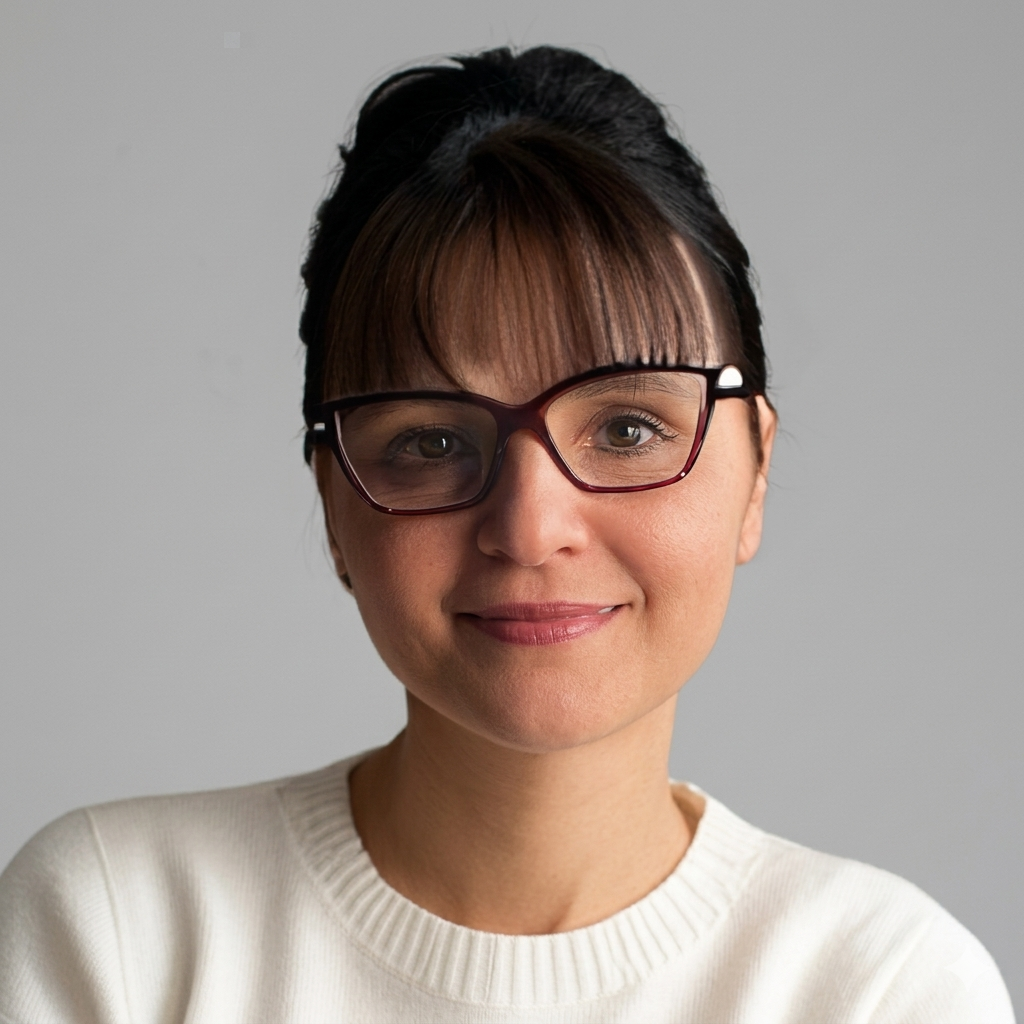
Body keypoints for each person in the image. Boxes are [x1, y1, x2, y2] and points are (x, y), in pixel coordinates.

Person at [0, 45, 1013, 1024]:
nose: (530, 527)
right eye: (432, 439)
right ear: (334, 503)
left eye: (626, 428)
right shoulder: (121, 931)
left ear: (754, 470)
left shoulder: (880, 989)